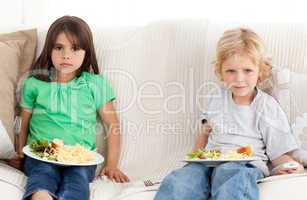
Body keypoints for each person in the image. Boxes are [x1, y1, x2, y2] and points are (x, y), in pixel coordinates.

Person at [154, 27, 304, 200]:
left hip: (242, 164)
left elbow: (278, 150)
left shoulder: (266, 106)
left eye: (247, 71)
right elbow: (205, 130)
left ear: (260, 71)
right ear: (221, 72)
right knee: (180, 182)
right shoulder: (215, 97)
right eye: (231, 71)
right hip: (208, 161)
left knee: (233, 183)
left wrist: (292, 166)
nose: (239, 78)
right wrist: (195, 159)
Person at [16, 15, 129, 200]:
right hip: (41, 155)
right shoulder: (35, 83)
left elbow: (112, 125)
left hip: (81, 159)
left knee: (77, 180)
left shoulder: (95, 84)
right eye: (59, 48)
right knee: (42, 173)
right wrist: (20, 151)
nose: (66, 55)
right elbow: (23, 122)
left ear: (86, 52)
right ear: (49, 50)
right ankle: (41, 195)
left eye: (75, 48)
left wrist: (112, 164)